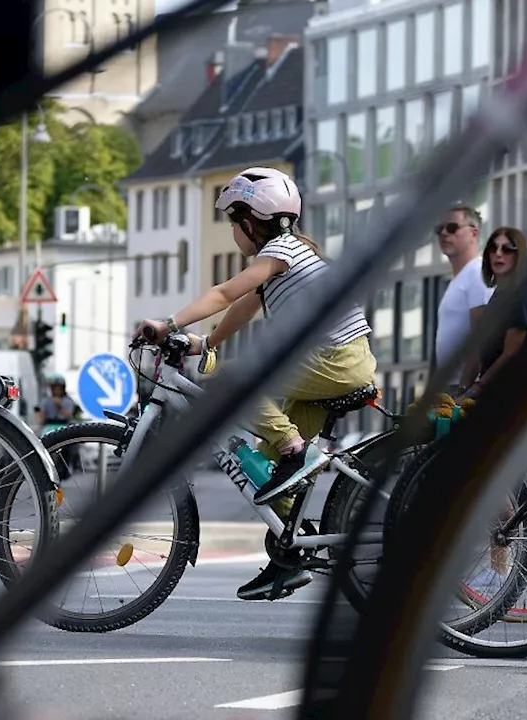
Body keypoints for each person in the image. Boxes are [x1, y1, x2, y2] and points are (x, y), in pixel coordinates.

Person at [134, 167, 377, 601]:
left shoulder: (282, 251)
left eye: (233, 220)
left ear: (251, 220)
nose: (231, 230)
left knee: (236, 381)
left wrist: (168, 322)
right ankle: (287, 560)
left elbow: (227, 293)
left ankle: (295, 449)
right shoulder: (287, 258)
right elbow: (244, 306)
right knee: (269, 473)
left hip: (337, 360)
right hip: (337, 362)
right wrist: (205, 341)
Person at [465, 227, 527, 398]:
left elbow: (510, 353)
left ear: (518, 256)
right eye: (493, 248)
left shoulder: (520, 295)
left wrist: (477, 388)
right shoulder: (499, 294)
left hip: (516, 394)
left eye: (507, 249)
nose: (498, 254)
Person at [434, 205, 495, 394]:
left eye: (452, 228)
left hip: (466, 388)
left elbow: (481, 337)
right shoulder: (459, 279)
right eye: (439, 229)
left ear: (473, 233)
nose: (444, 233)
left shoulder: (477, 273)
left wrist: (464, 388)